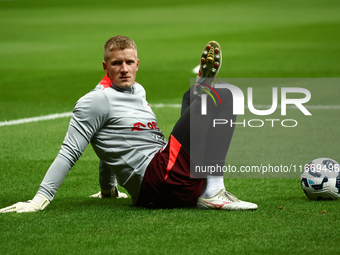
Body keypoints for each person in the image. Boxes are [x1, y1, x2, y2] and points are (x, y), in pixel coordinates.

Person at [0, 36, 257, 213]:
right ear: (105, 66)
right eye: (116, 63)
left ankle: (202, 91)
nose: (124, 69)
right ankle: (214, 190)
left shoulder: (137, 91)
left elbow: (111, 141)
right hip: (161, 180)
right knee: (228, 95)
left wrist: (107, 188)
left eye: (129, 62)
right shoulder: (95, 101)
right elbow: (69, 151)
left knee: (191, 96)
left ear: (137, 65)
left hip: (168, 171)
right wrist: (39, 199)